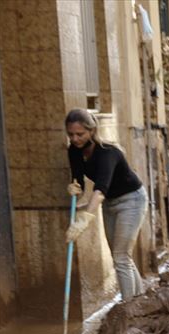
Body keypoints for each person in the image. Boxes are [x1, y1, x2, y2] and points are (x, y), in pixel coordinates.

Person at [64, 109, 148, 300]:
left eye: (80, 134)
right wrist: (75, 186)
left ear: (91, 131)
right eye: (71, 134)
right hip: (110, 203)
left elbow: (100, 189)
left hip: (132, 200)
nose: (75, 139)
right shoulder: (74, 151)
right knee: (121, 256)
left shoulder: (108, 153)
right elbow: (80, 180)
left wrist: (85, 218)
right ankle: (140, 301)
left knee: (120, 257)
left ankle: (128, 308)